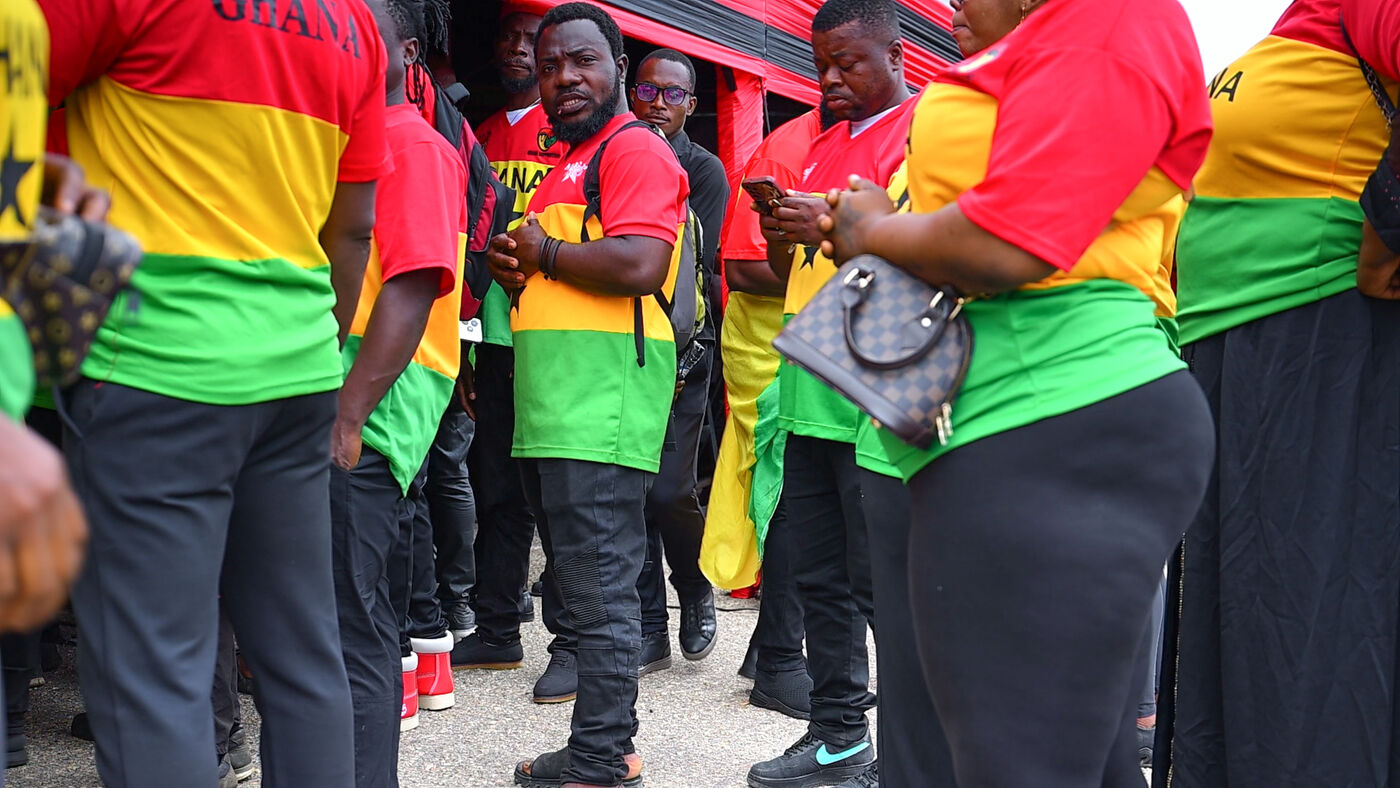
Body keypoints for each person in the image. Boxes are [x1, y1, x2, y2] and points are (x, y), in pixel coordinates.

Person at [818, 0, 1215, 782]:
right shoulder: (1045, 47)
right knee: (1063, 756)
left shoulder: (1109, 19)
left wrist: (871, 230)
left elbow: (1008, 239)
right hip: (995, 422)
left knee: (1017, 763)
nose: (953, 2)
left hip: (1049, 417)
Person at [39, 0, 390, 780]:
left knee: (153, 675)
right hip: (297, 370)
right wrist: (311, 352)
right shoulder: (355, 22)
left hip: (155, 370)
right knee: (303, 659)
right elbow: (354, 226)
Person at [1159, 1, 1400, 784]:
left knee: (1302, 634)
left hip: (1318, 337)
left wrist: (1390, 226)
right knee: (1247, 631)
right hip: (1247, 346)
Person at [485, 4, 688, 786]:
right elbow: (562, 264)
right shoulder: (569, 160)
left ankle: (601, 757)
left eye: (582, 61)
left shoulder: (632, 148)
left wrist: (547, 253)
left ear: (618, 67)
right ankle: (608, 745)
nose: (564, 78)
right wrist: (519, 266)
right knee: (583, 584)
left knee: (599, 588)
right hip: (559, 404)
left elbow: (640, 263)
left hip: (599, 403)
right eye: (549, 67)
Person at [746, 1, 915, 785]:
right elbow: (793, 274)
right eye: (821, 66)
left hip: (877, 394)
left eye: (848, 62)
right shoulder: (818, 146)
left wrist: (841, 224)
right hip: (809, 390)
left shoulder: (923, 131)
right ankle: (840, 736)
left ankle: (910, 756)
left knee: (884, 586)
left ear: (897, 56)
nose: (831, 80)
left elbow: (927, 252)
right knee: (820, 578)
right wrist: (785, 234)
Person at [330, 0, 466, 780]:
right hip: (344, 409)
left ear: (407, 52)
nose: (342, 39)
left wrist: (348, 414)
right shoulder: (349, 139)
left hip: (371, 417)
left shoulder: (412, 145)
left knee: (354, 623)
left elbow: (413, 285)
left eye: (365, 30)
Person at [702, 107, 830, 720]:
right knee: (789, 493)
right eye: (831, 65)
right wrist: (850, 263)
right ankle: (778, 660)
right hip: (773, 349)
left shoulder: (882, 133)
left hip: (832, 342)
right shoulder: (788, 149)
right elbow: (741, 267)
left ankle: (773, 649)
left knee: (816, 497)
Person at [454, 5, 568, 692]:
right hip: (495, 336)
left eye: (535, 42)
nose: (517, 51)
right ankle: (498, 627)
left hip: (557, 335)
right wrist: (467, 344)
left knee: (558, 495)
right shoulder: (482, 132)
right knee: (496, 487)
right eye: (509, 37)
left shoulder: (578, 138)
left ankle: (572, 641)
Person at [629, 47, 730, 671]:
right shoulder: (614, 154)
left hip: (685, 347)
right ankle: (649, 625)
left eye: (672, 94)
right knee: (631, 488)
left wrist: (685, 353)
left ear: (691, 104)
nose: (658, 104)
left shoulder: (703, 169)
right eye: (648, 91)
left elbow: (701, 267)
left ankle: (692, 587)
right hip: (621, 342)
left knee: (670, 488)